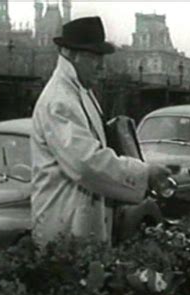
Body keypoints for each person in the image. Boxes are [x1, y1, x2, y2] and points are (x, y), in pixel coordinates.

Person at [31, 17, 170, 245]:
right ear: (71, 55)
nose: (101, 65)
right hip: (64, 226)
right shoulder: (60, 101)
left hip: (78, 221)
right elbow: (86, 163)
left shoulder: (79, 91)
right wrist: (145, 174)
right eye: (94, 56)